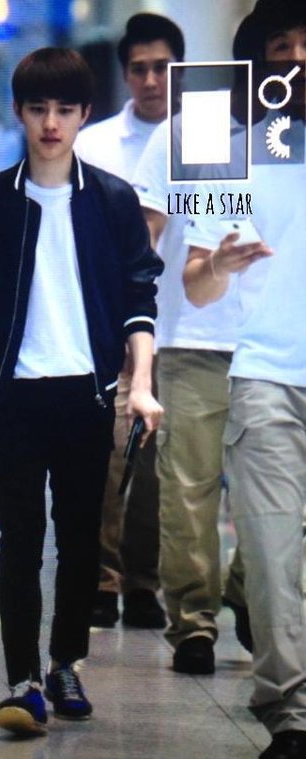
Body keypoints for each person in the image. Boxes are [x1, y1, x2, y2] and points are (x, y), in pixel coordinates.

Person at [0, 46, 164, 737]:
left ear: (84, 114)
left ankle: (65, 663)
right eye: (38, 109)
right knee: (20, 540)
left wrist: (140, 385)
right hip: (12, 396)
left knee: (81, 539)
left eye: (65, 109)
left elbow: (139, 302)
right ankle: (22, 678)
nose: (52, 124)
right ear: (21, 113)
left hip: (87, 396)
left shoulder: (113, 201)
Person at [182, 1, 306, 756]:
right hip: (267, 378)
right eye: (283, 46)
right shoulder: (230, 153)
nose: (298, 58)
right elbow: (196, 284)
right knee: (271, 552)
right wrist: (220, 265)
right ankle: (290, 714)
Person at [131, 33, 252, 674]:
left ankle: (249, 593)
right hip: (194, 334)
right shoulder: (199, 124)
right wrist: (129, 326)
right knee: (188, 489)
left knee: (280, 495)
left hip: (282, 342)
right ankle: (194, 623)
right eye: (281, 46)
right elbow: (149, 228)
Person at [74, 12, 184, 630]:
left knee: (160, 466)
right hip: (113, 326)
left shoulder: (210, 143)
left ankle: (146, 583)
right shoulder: (94, 146)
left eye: (162, 67)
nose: (150, 80)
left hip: (185, 326)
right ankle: (103, 579)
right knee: (111, 456)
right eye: (139, 69)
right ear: (124, 74)